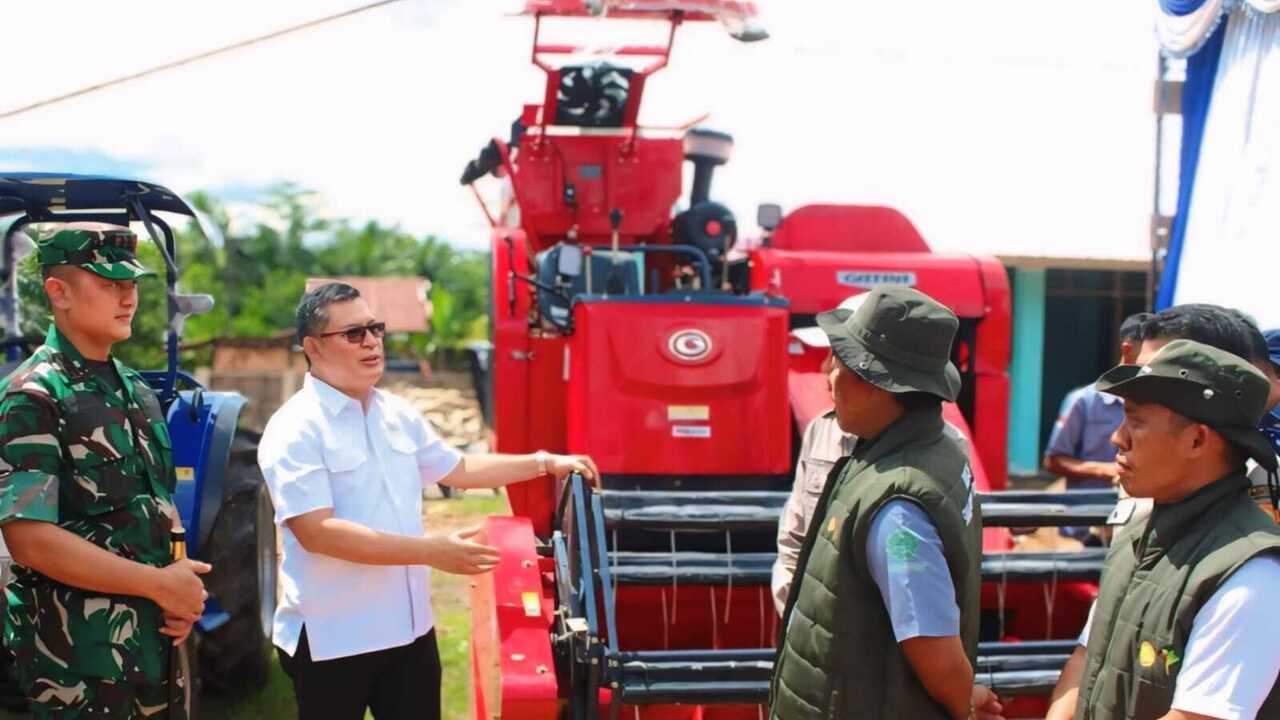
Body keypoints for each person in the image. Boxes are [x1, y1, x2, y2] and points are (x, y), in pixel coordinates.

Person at [259, 282, 599, 720]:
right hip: (333, 638)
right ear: (312, 347)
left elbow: (457, 469)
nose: (372, 342)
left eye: (375, 329)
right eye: (353, 334)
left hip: (409, 632)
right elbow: (317, 533)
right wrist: (430, 551)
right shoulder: (296, 428)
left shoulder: (395, 414)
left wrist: (544, 462)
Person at [0, 223, 209, 718]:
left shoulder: (135, 391)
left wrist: (176, 584)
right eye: (110, 284)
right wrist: (158, 585)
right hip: (79, 665)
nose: (127, 297)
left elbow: (159, 509)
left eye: (131, 284)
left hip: (153, 650)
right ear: (59, 292)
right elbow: (30, 540)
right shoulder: (33, 396)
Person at [769, 287, 1002, 720]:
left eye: (837, 360)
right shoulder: (929, 451)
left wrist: (963, 701)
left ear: (873, 381)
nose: (826, 373)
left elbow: (932, 646)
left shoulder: (899, 509)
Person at [1045, 340, 1280, 720]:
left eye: (1135, 422)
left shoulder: (1250, 574)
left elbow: (1198, 716)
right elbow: (1086, 657)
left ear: (1197, 439)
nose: (1117, 439)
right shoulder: (1136, 538)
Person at [772, 297, 863, 616]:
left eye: (836, 355)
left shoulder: (936, 448)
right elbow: (792, 538)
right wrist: (799, 618)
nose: (825, 368)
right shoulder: (820, 433)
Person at [1043, 313, 1149, 490]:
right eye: (1153, 354)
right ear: (1128, 350)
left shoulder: (1156, 402)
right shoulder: (1084, 400)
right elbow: (1053, 461)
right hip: (1087, 509)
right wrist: (1107, 470)